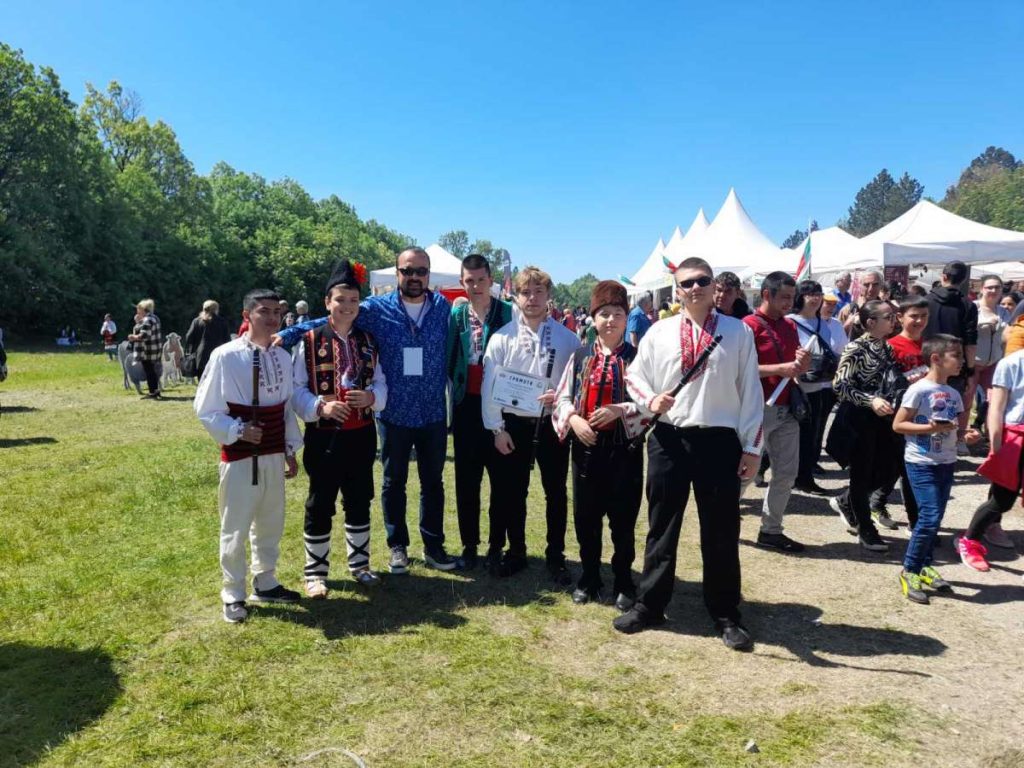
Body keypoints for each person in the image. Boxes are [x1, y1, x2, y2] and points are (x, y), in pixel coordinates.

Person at [277, 246, 458, 572]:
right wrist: (286, 334)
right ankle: (397, 546)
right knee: (393, 482)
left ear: (428, 275)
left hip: (432, 411)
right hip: (394, 413)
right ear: (397, 273)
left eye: (420, 271)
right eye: (407, 271)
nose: (414, 277)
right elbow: (333, 317)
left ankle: (434, 546)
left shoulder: (443, 308)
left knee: (433, 482)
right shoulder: (376, 308)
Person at [613, 257, 762, 651]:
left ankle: (725, 612)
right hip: (669, 438)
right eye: (687, 283)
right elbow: (635, 376)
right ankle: (650, 604)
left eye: (702, 281)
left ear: (715, 287)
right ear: (677, 290)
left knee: (721, 530)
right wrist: (650, 400)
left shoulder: (738, 332)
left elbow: (751, 391)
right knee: (662, 525)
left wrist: (752, 447)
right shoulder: (659, 332)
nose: (695, 288)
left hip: (719, 440)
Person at [194, 289, 308, 623]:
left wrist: (288, 449)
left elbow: (285, 409)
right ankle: (233, 593)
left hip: (272, 451)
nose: (272, 318)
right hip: (241, 455)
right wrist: (238, 430)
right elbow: (206, 408)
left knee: (271, 520)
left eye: (276, 312)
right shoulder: (225, 356)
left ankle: (266, 581)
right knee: (236, 525)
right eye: (264, 311)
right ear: (247, 315)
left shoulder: (282, 357)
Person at [292, 261, 387, 598]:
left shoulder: (368, 340)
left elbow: (381, 382)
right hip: (324, 435)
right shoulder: (308, 340)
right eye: (341, 300)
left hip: (361, 433)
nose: (348, 306)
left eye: (353, 300)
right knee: (320, 501)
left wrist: (372, 397)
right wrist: (321, 406)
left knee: (359, 498)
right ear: (327, 302)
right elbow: (295, 390)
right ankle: (315, 573)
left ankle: (360, 565)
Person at [482, 266, 580, 582]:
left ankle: (556, 556)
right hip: (513, 426)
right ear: (516, 297)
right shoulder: (502, 338)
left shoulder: (568, 339)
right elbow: (489, 387)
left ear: (549, 296)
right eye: (526, 292)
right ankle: (516, 552)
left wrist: (561, 397)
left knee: (556, 493)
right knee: (513, 491)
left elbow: (578, 386)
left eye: (539, 292)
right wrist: (497, 429)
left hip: (552, 424)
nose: (532, 298)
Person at [553, 281, 644, 608]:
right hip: (586, 449)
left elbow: (651, 404)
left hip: (625, 451)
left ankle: (623, 580)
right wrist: (574, 420)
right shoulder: (579, 357)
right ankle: (589, 576)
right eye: (604, 313)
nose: (610, 320)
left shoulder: (638, 358)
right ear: (593, 318)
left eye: (617, 313)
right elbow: (562, 396)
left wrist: (622, 410)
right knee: (586, 518)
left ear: (626, 318)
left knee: (623, 519)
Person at [447, 254, 513, 569]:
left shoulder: (508, 313)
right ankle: (469, 544)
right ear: (462, 282)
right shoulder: (456, 315)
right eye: (469, 281)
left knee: (501, 480)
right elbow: (448, 356)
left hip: (501, 407)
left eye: (481, 280)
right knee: (467, 480)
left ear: (490, 280)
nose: (475, 286)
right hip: (466, 406)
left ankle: (496, 544)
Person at [830, 301, 908, 553]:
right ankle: (866, 528)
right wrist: (869, 400)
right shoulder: (855, 348)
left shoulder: (887, 347)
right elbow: (840, 385)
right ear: (871, 322)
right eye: (888, 317)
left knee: (888, 470)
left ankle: (846, 501)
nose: (894, 320)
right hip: (859, 418)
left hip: (883, 418)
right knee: (861, 473)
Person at [892, 335, 964, 604]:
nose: (962, 361)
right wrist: (929, 428)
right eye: (956, 355)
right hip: (921, 463)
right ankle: (910, 570)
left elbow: (954, 428)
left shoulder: (954, 394)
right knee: (929, 517)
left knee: (935, 518)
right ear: (936, 358)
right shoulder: (919, 390)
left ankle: (924, 565)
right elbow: (898, 425)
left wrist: (966, 436)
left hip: (947, 461)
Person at [743, 272, 811, 553]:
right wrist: (779, 369)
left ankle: (771, 530)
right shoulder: (747, 327)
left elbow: (794, 366)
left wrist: (802, 364)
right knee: (746, 472)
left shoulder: (789, 325)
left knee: (786, 473)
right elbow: (739, 370)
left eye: (792, 297)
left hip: (786, 408)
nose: (789, 303)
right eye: (784, 297)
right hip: (758, 408)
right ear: (766, 295)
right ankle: (721, 521)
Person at [957, 346, 1024, 572]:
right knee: (1003, 499)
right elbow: (996, 408)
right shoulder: (1011, 363)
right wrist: (996, 446)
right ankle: (969, 540)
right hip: (1015, 438)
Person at [788, 281, 839, 495]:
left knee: (812, 436)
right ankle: (778, 472)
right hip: (797, 386)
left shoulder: (822, 323)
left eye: (818, 293)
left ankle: (804, 477)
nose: (815, 298)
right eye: (809, 293)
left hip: (819, 385)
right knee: (793, 436)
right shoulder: (790, 322)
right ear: (800, 296)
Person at [925, 261, 978, 455]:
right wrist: (970, 370)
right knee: (949, 411)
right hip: (954, 366)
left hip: (926, 363)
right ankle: (945, 452)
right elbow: (970, 343)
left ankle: (925, 451)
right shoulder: (968, 305)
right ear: (963, 280)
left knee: (923, 408)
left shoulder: (925, 301)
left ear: (944, 276)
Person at [972, 275, 1009, 436]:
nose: (993, 290)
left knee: (995, 402)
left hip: (994, 363)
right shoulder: (973, 308)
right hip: (972, 363)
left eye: (997, 287)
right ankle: (960, 437)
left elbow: (1007, 336)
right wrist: (982, 325)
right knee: (966, 402)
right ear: (982, 289)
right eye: (989, 287)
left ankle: (991, 435)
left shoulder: (1004, 312)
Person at [184, 300, 233, 380]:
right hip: (218, 357)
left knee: (202, 382)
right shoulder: (222, 322)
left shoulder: (197, 321)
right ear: (216, 309)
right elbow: (227, 341)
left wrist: (191, 350)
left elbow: (189, 338)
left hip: (201, 357)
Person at [127, 299, 163, 399]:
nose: (137, 311)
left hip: (148, 350)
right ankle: (155, 391)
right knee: (152, 371)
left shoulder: (147, 320)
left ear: (143, 309)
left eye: (139, 309)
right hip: (155, 349)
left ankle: (152, 392)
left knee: (149, 371)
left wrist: (133, 337)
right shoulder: (155, 318)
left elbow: (144, 336)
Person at [840, 271, 883, 339]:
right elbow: (837, 338)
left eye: (875, 284)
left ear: (881, 286)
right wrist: (847, 325)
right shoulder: (849, 310)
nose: (871, 289)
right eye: (866, 285)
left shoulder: (888, 310)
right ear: (860, 286)